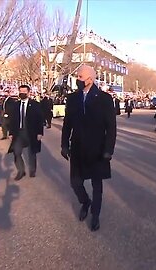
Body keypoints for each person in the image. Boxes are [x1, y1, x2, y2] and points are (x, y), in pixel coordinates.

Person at [61, 65, 116, 232]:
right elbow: (67, 124)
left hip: (97, 149)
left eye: (80, 77)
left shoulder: (105, 99)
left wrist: (108, 150)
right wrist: (64, 144)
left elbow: (111, 127)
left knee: (96, 185)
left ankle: (95, 215)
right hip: (77, 147)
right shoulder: (72, 99)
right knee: (75, 182)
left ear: (90, 79)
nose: (77, 80)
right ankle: (85, 202)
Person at [7, 85, 44, 180]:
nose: (22, 93)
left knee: (31, 153)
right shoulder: (15, 105)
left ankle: (32, 170)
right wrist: (10, 133)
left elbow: (40, 119)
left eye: (24, 92)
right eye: (20, 91)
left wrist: (40, 132)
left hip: (31, 132)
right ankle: (21, 171)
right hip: (18, 133)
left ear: (28, 93)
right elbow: (12, 120)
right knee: (16, 151)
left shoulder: (35, 104)